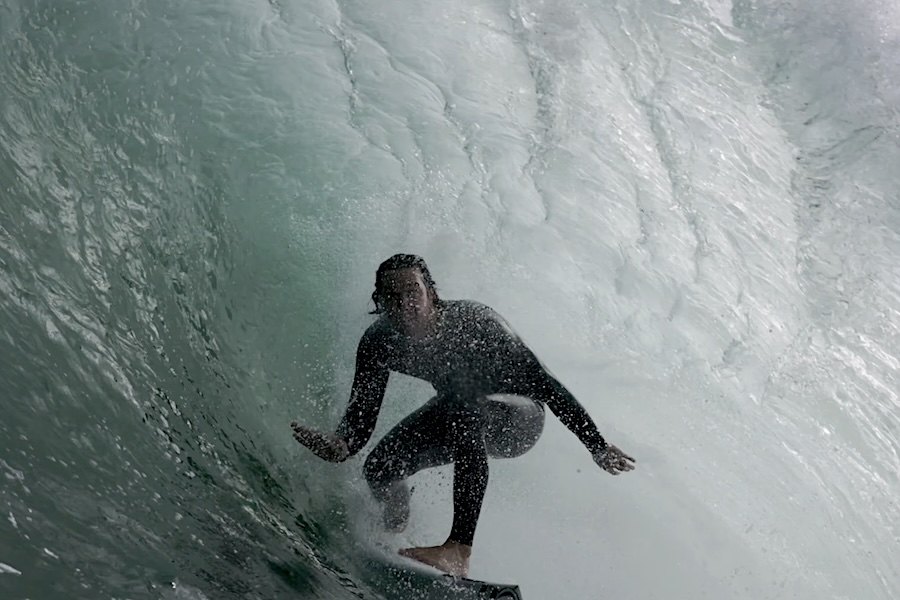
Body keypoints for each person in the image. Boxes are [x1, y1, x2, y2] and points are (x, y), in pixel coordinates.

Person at [291, 254, 635, 577]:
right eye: (392, 296)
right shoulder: (380, 342)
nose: (404, 303)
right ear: (380, 302)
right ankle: (394, 534)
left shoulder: (475, 322)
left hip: (519, 416)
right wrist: (340, 447)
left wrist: (597, 445)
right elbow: (362, 419)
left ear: (431, 292)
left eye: (413, 291)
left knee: (464, 405)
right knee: (381, 467)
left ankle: (458, 549)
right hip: (459, 413)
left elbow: (547, 386)